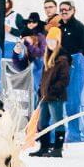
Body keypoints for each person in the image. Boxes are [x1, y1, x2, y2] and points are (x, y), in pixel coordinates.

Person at [32, 28, 72, 158]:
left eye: (53, 41)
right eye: (48, 40)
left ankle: (58, 148)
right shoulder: (47, 57)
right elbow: (44, 78)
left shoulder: (62, 59)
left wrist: (52, 91)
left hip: (55, 97)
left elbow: (64, 80)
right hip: (44, 96)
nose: (50, 43)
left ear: (58, 42)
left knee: (57, 121)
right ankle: (44, 147)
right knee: (42, 122)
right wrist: (41, 90)